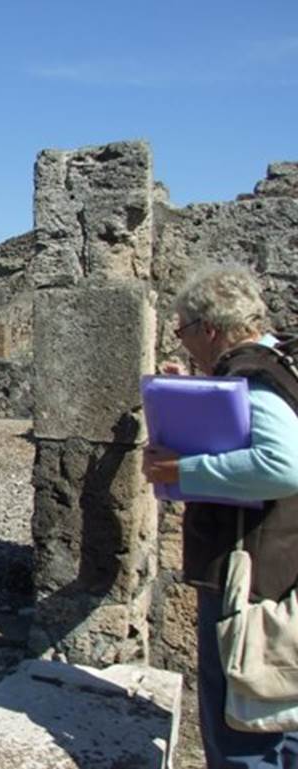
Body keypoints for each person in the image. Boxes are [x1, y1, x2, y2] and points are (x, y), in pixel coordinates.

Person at [143, 265, 298, 769]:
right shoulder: (280, 362)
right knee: (276, 711)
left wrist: (179, 468)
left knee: (245, 720)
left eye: (184, 331)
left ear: (209, 329)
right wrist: (192, 392)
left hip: (248, 577)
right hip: (276, 568)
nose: (184, 342)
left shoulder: (251, 374)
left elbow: (282, 465)